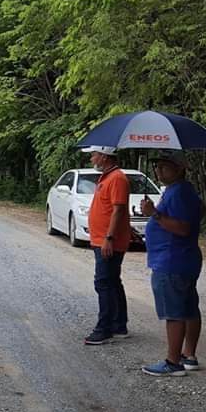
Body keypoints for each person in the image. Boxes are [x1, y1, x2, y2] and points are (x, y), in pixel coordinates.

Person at [138, 150, 203, 377]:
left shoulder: (179, 193)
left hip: (172, 260)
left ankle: (173, 362)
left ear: (179, 169)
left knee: (174, 312)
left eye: (164, 166)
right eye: (157, 166)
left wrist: (154, 214)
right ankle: (189, 355)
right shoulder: (182, 190)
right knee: (188, 308)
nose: (159, 171)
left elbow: (182, 228)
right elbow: (198, 212)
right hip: (183, 259)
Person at [82, 145, 132, 345]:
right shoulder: (107, 177)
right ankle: (118, 324)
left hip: (109, 241)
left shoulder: (117, 178)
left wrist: (109, 238)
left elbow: (118, 210)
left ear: (104, 156)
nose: (92, 159)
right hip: (102, 239)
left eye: (93, 155)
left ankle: (104, 328)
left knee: (103, 282)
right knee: (112, 281)